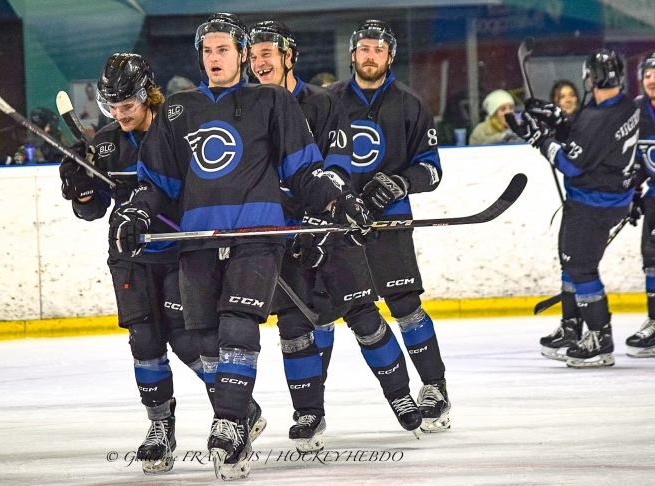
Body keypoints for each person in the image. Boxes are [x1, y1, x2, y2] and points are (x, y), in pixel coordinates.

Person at [113, 13, 372, 480]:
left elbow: (303, 171)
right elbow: (158, 184)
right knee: (203, 336)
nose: (215, 58)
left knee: (239, 325)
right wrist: (136, 212)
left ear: (240, 54)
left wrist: (337, 199)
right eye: (208, 51)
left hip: (257, 236)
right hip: (196, 242)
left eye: (224, 50)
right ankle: (239, 415)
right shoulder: (177, 110)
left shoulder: (272, 101)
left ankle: (229, 423)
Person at [249, 19, 420, 452]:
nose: (258, 62)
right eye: (252, 56)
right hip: (284, 237)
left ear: (289, 56)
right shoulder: (246, 109)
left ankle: (400, 396)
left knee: (363, 314)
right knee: (293, 325)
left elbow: (338, 167)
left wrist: (326, 214)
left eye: (267, 53)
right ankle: (309, 413)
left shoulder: (323, 103)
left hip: (331, 228)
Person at [59, 53, 217, 475]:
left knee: (186, 339)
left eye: (127, 105)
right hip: (129, 257)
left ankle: (234, 410)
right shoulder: (107, 143)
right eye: (113, 106)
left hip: (181, 251)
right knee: (144, 343)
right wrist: (81, 191)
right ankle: (160, 428)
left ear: (147, 94)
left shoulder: (181, 130)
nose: (119, 114)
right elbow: (93, 210)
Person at [330, 19, 451, 433]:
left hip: (389, 224)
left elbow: (432, 171)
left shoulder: (410, 103)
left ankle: (435, 387)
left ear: (390, 56)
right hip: (338, 225)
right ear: (352, 54)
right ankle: (312, 408)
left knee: (404, 306)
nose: (370, 55)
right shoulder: (327, 102)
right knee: (325, 313)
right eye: (363, 48)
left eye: (378, 49)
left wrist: (402, 181)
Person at [510, 48, 640, 368]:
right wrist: (562, 122)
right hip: (608, 199)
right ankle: (572, 328)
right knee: (570, 262)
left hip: (593, 203)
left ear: (592, 77)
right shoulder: (624, 105)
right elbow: (592, 142)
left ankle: (599, 338)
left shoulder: (598, 116)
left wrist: (539, 138)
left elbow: (571, 164)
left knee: (581, 268)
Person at [626, 51, 655, 358]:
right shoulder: (636, 111)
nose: (652, 79)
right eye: (647, 74)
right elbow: (631, 159)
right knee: (652, 257)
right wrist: (632, 194)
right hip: (654, 197)